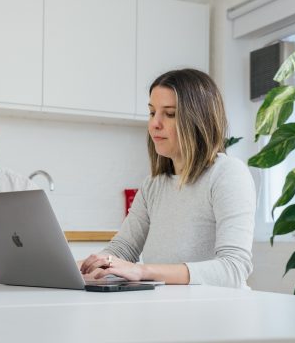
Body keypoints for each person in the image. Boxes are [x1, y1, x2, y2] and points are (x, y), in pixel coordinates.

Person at [80, 69, 255, 288]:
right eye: (152, 112)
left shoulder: (228, 174)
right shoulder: (153, 185)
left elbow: (233, 268)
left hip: (218, 310)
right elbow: (122, 250)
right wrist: (88, 265)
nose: (155, 124)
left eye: (170, 114)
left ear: (198, 120)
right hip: (170, 308)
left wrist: (143, 271)